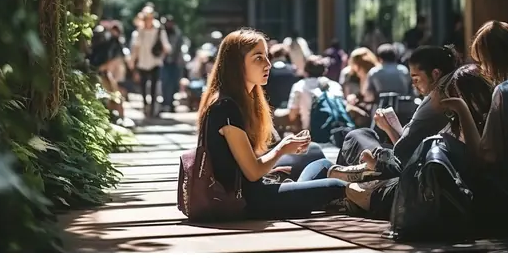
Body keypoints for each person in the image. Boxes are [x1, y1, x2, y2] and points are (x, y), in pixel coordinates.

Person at [197, 28, 352, 220]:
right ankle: (368, 191)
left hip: (258, 189)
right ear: (237, 64)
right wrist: (282, 149)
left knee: (321, 163)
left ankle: (304, 198)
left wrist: (283, 152)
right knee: (335, 186)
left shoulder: (241, 101)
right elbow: (252, 173)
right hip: (247, 200)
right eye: (258, 58)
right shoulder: (225, 108)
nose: (268, 64)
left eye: (267, 56)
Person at [328, 64, 494, 219]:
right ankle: (370, 170)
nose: (414, 86)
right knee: (362, 135)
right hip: (412, 175)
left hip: (420, 185)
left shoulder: (474, 120)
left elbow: (475, 158)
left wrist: (460, 109)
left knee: (349, 156)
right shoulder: (453, 119)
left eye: (416, 79)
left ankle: (370, 171)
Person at [439, 21, 508, 228]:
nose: (483, 70)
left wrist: (461, 109)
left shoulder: (505, 91)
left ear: (494, 58)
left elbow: (484, 156)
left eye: (483, 61)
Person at [332, 44, 460, 178]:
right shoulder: (442, 94)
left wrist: (388, 127)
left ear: (435, 74)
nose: (414, 85)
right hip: (410, 158)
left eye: (416, 79)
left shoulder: (436, 101)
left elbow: (403, 153)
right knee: (366, 133)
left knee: (355, 136)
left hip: (405, 168)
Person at [130, 7, 171, 116]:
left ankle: (153, 108)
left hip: (155, 62)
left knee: (154, 87)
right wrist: (133, 60)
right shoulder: (140, 30)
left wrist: (164, 52)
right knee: (143, 86)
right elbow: (136, 47)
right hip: (142, 62)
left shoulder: (159, 29)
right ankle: (145, 105)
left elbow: (165, 44)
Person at [286, 55, 344, 131]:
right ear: (325, 71)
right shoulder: (335, 85)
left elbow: (292, 114)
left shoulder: (299, 86)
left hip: (311, 132)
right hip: (336, 130)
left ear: (306, 71)